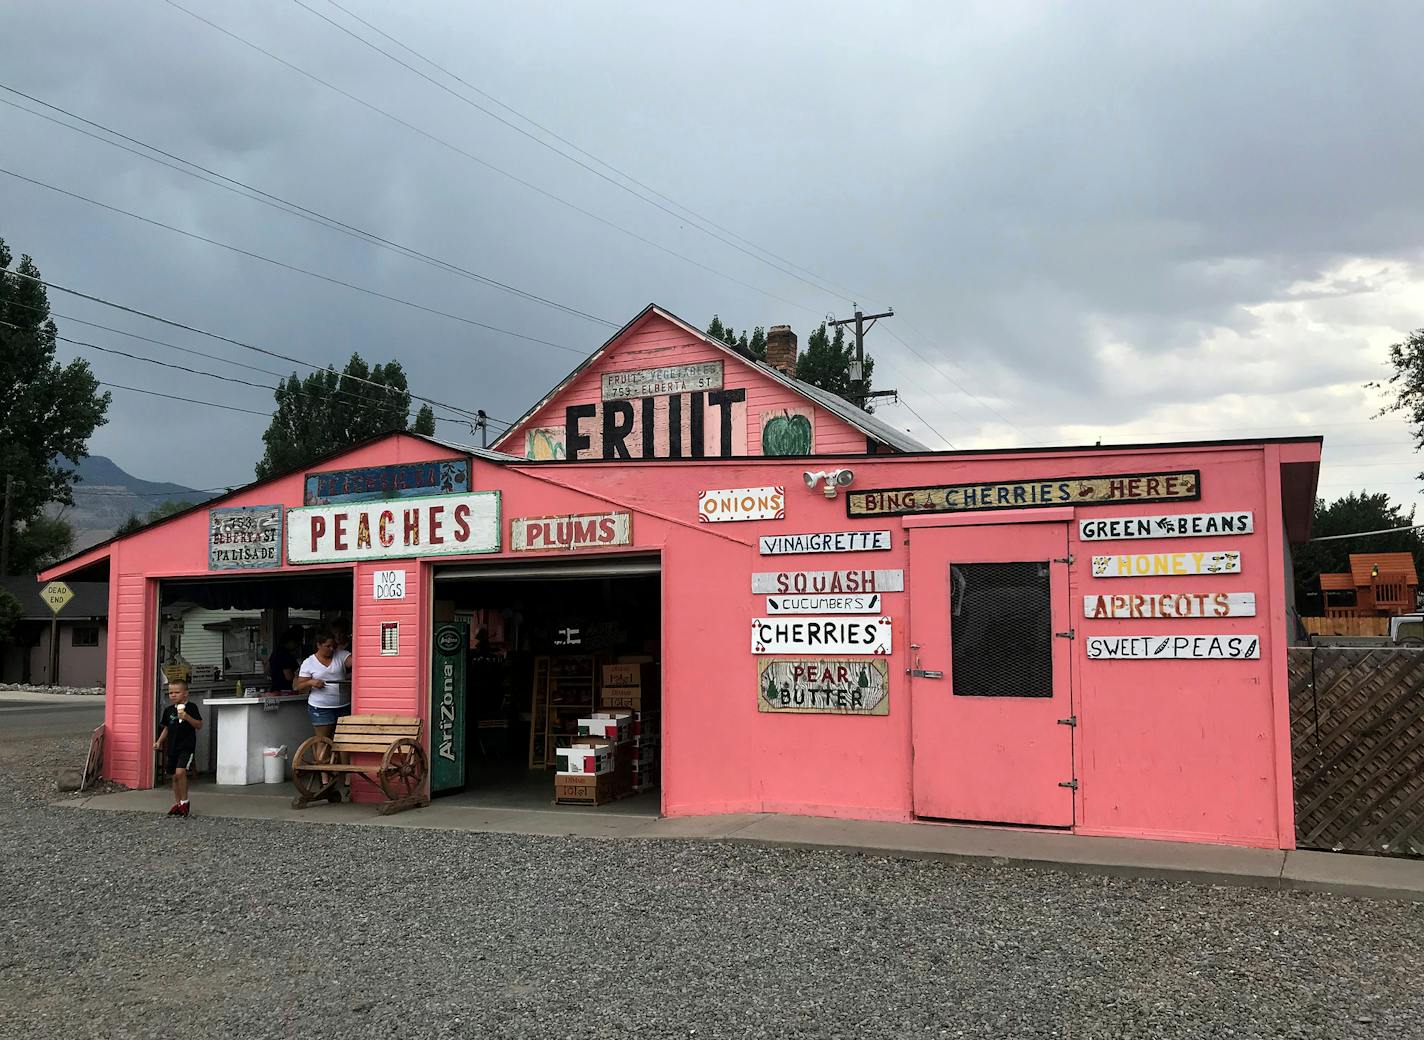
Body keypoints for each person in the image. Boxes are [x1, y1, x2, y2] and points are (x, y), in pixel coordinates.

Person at [294, 628, 352, 800]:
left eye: (333, 646)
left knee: (345, 740)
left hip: (343, 704)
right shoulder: (309, 662)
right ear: (318, 645)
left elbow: (354, 662)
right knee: (323, 741)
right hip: (320, 706)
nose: (331, 649)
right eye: (327, 646)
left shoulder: (341, 655)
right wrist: (312, 682)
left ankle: (347, 776)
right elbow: (298, 685)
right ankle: (324, 777)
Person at [153, 680, 202, 817]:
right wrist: (158, 742)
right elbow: (167, 728)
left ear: (185, 693)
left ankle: (185, 801)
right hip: (173, 746)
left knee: (181, 772)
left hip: (187, 746)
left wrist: (186, 717)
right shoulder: (169, 711)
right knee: (174, 777)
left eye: (177, 692)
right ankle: (179, 804)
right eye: (170, 693)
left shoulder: (191, 707)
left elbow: (199, 725)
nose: (173, 695)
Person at [268, 627, 300, 692]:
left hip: (275, 688)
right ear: (289, 641)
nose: (297, 645)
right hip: (286, 690)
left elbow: (267, 669)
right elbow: (289, 676)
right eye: (295, 642)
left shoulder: (275, 653)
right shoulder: (285, 655)